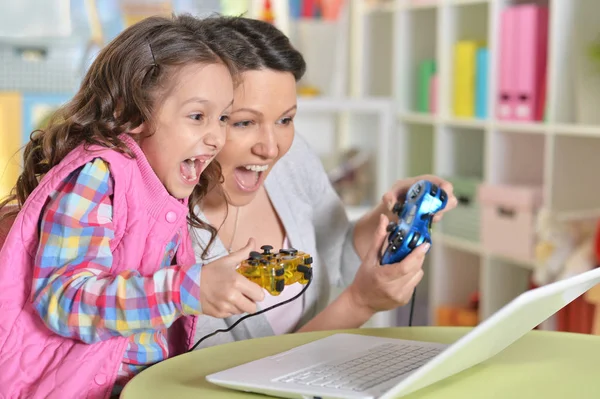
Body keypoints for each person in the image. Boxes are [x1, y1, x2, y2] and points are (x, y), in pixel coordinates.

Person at [0, 14, 265, 398]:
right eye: (197, 116)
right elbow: (63, 299)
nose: (216, 137)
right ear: (131, 114)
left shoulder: (162, 185)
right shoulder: (96, 176)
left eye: (223, 117)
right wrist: (185, 289)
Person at [183, 16, 457, 350]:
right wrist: (360, 304)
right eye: (244, 123)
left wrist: (392, 212)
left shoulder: (292, 158)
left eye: (285, 119)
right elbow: (226, 380)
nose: (271, 148)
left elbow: (336, 253)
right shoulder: (168, 230)